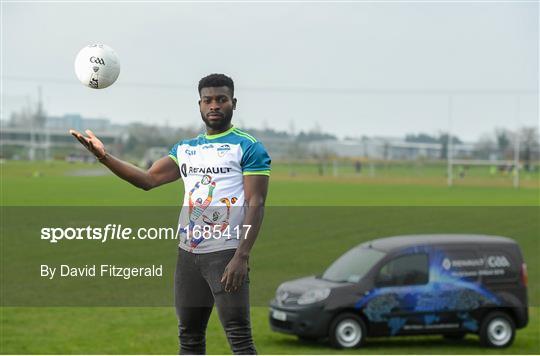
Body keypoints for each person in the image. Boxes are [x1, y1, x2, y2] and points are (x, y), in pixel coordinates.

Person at [69, 73, 270, 354]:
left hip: (226, 255)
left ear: (233, 103)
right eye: (207, 100)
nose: (214, 106)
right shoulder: (187, 148)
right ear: (199, 105)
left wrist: (242, 256)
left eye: (221, 100)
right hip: (188, 255)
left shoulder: (248, 147)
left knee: (239, 339)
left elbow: (256, 203)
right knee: (189, 336)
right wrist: (104, 157)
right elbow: (148, 179)